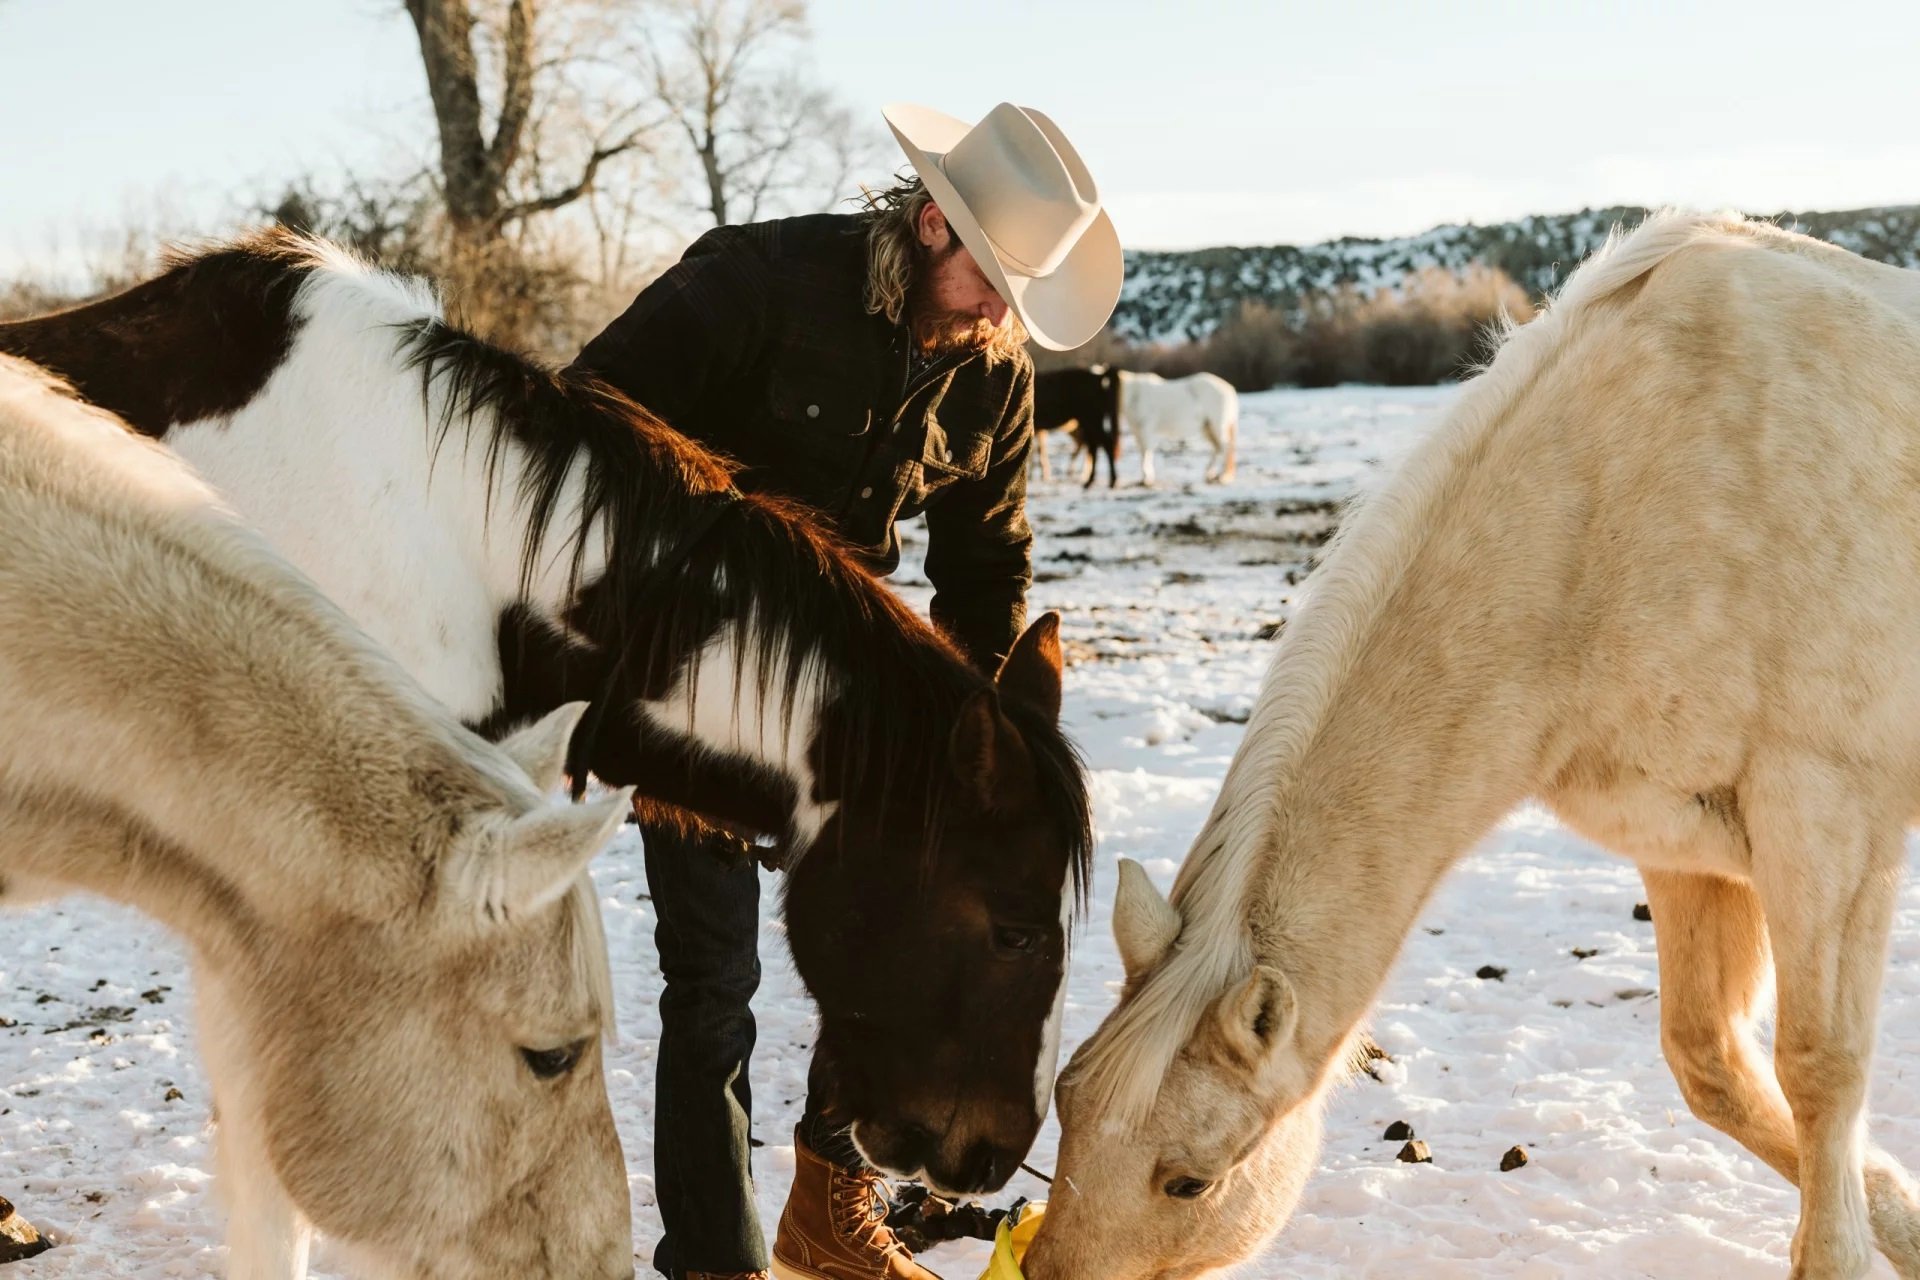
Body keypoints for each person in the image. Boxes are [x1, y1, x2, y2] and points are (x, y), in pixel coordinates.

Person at [569, 102, 1120, 1280]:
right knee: (715, 976)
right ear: (931, 226)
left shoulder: (995, 377)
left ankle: (827, 1202)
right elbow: (585, 418)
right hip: (691, 681)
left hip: (846, 711)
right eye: (992, 281)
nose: (1003, 314)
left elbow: (985, 565)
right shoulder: (756, 284)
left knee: (897, 942)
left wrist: (989, 740)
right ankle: (715, 1263)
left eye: (1024, 294)